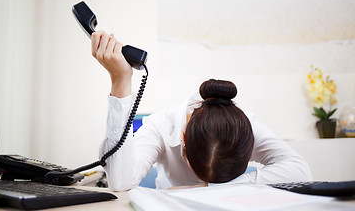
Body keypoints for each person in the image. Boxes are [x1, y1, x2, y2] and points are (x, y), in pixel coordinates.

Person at [91, 31, 313, 191]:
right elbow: (120, 182)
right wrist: (120, 81)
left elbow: (300, 171)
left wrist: (207, 188)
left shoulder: (245, 128)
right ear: (183, 140)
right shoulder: (161, 126)